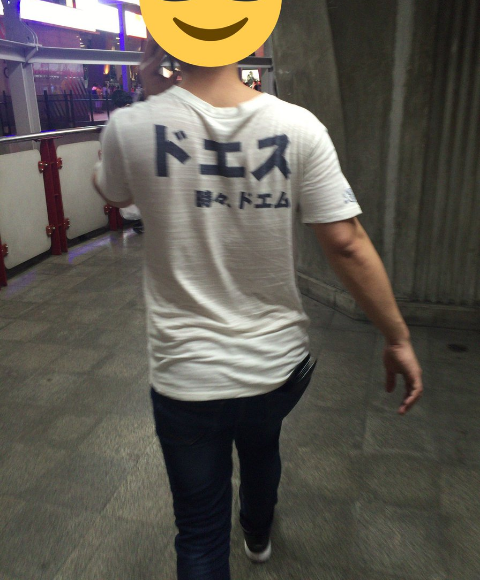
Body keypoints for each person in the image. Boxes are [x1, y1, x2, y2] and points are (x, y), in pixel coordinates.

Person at [92, 34, 423, 580]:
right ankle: (258, 532)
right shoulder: (298, 127)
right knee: (262, 446)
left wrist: (152, 100)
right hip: (274, 366)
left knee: (199, 532)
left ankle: (237, 535)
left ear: (166, 38)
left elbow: (114, 192)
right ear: (247, 32)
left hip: (185, 374)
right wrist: (398, 337)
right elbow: (346, 243)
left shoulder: (131, 126)